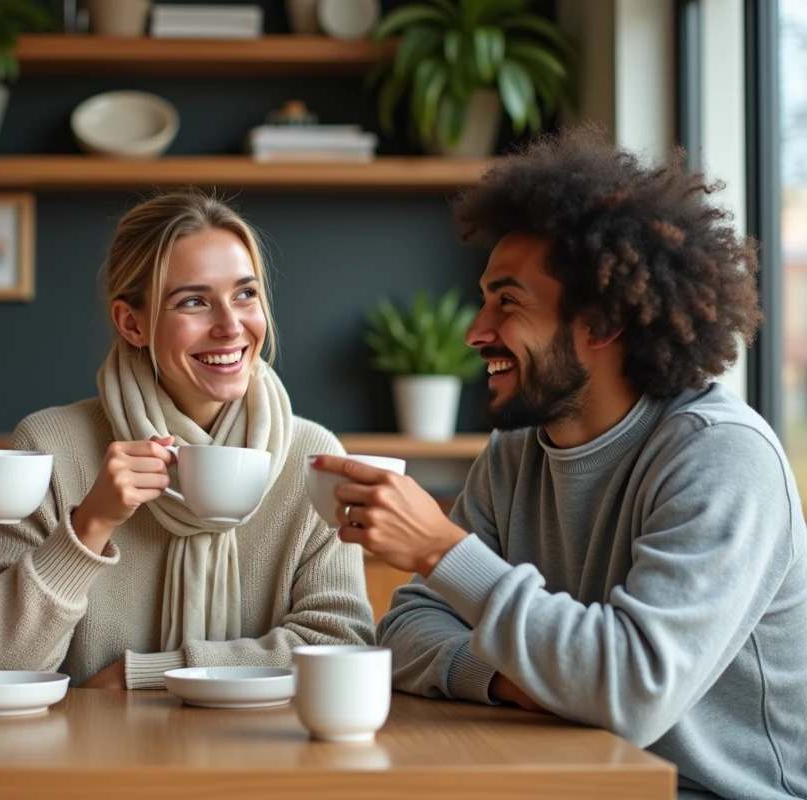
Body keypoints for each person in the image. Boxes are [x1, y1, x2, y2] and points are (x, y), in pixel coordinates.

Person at [311, 127, 807, 800]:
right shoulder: (517, 451)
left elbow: (631, 691)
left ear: (600, 323)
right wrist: (510, 680)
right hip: (567, 778)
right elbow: (405, 631)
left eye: (507, 302)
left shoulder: (721, 456)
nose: (475, 331)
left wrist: (440, 548)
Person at [0, 190, 374, 689]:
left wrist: (145, 676)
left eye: (245, 294)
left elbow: (342, 645)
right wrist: (89, 526)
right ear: (132, 323)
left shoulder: (312, 459)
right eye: (194, 301)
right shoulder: (48, 447)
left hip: (266, 756)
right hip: (86, 758)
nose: (231, 326)